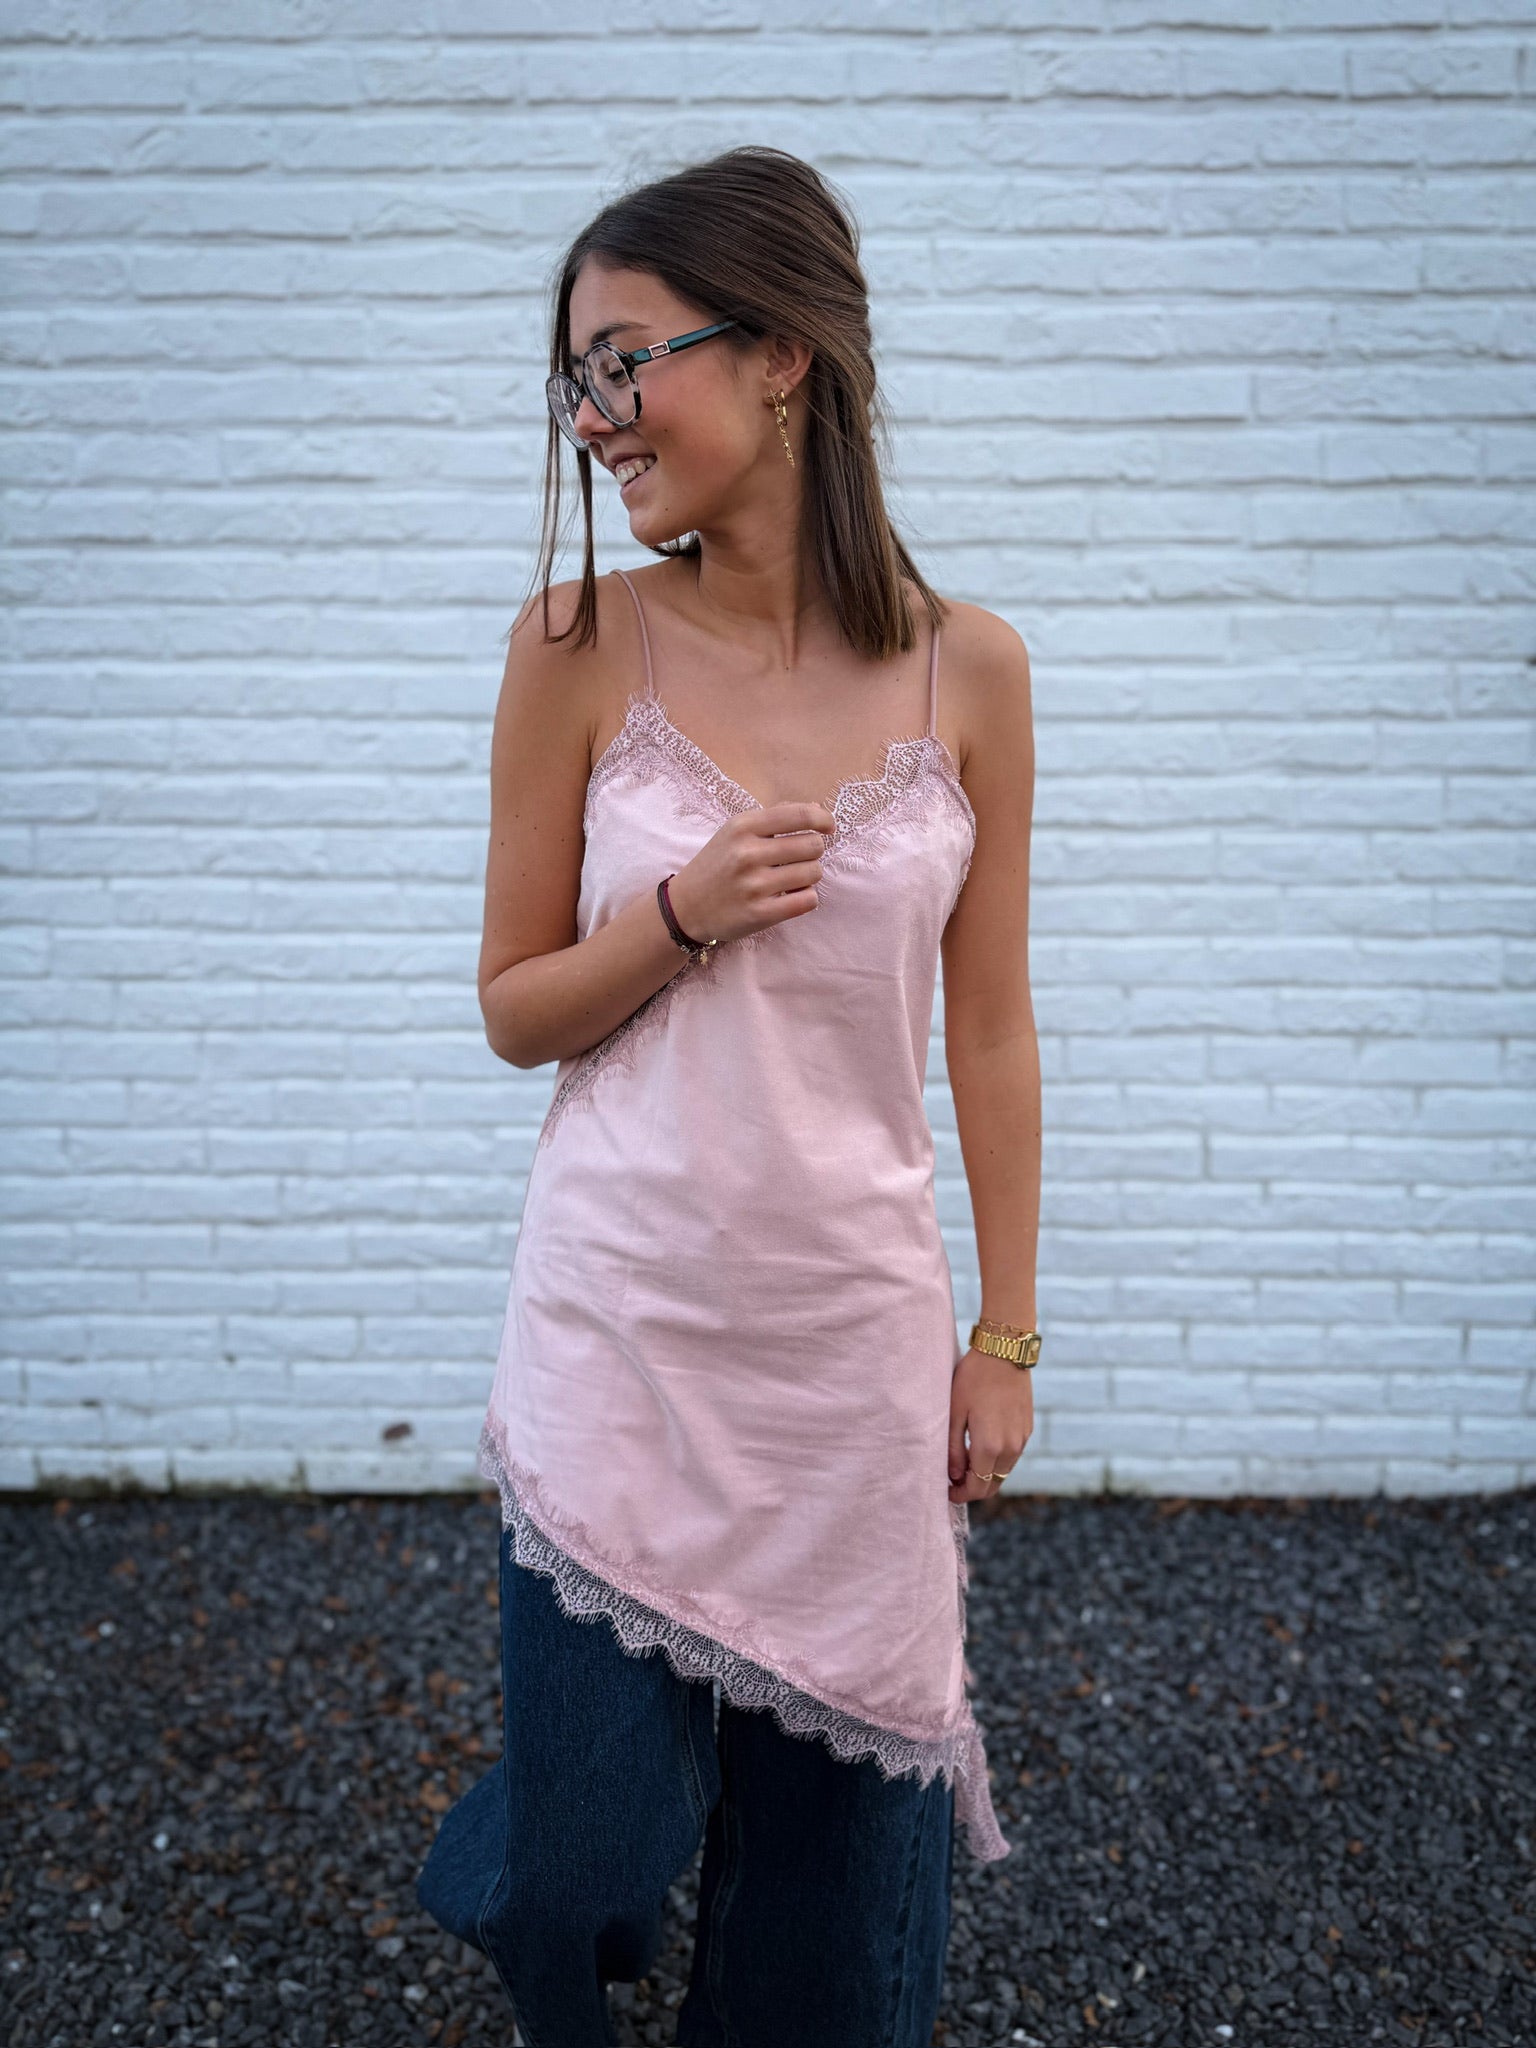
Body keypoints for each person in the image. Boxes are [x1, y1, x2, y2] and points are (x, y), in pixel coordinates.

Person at [416, 144, 1040, 2048]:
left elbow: (991, 1030)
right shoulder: (576, 647)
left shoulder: (972, 672)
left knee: (832, 1925)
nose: (594, 417)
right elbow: (516, 1007)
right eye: (576, 379)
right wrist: (676, 917)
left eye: (626, 362)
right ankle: (527, 1886)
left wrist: (1005, 1336)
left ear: (781, 356)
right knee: (583, 1858)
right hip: (620, 1332)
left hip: (848, 1352)